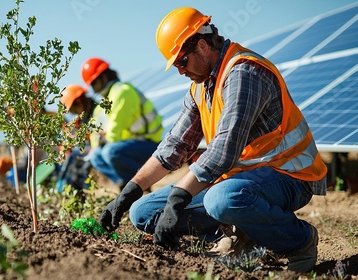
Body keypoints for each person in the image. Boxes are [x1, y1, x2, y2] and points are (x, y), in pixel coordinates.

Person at [99, 7, 327, 273]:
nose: (180, 71)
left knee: (222, 199)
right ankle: (241, 237)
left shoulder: (244, 73)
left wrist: (178, 199)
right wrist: (130, 192)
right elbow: (175, 145)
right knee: (143, 213)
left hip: (289, 174)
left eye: (181, 62)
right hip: (243, 180)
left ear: (203, 45)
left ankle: (299, 240)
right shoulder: (201, 85)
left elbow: (223, 152)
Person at [81, 58, 164, 189]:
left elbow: (115, 134)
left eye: (94, 83)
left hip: (150, 143)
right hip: (130, 145)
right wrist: (98, 142)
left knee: (110, 151)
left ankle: (141, 184)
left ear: (103, 77)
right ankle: (125, 186)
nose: (94, 89)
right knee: (96, 156)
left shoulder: (122, 92)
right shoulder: (106, 100)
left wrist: (103, 138)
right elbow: (98, 133)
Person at [56, 84, 98, 191]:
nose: (74, 113)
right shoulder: (80, 121)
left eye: (74, 108)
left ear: (80, 100)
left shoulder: (99, 111)